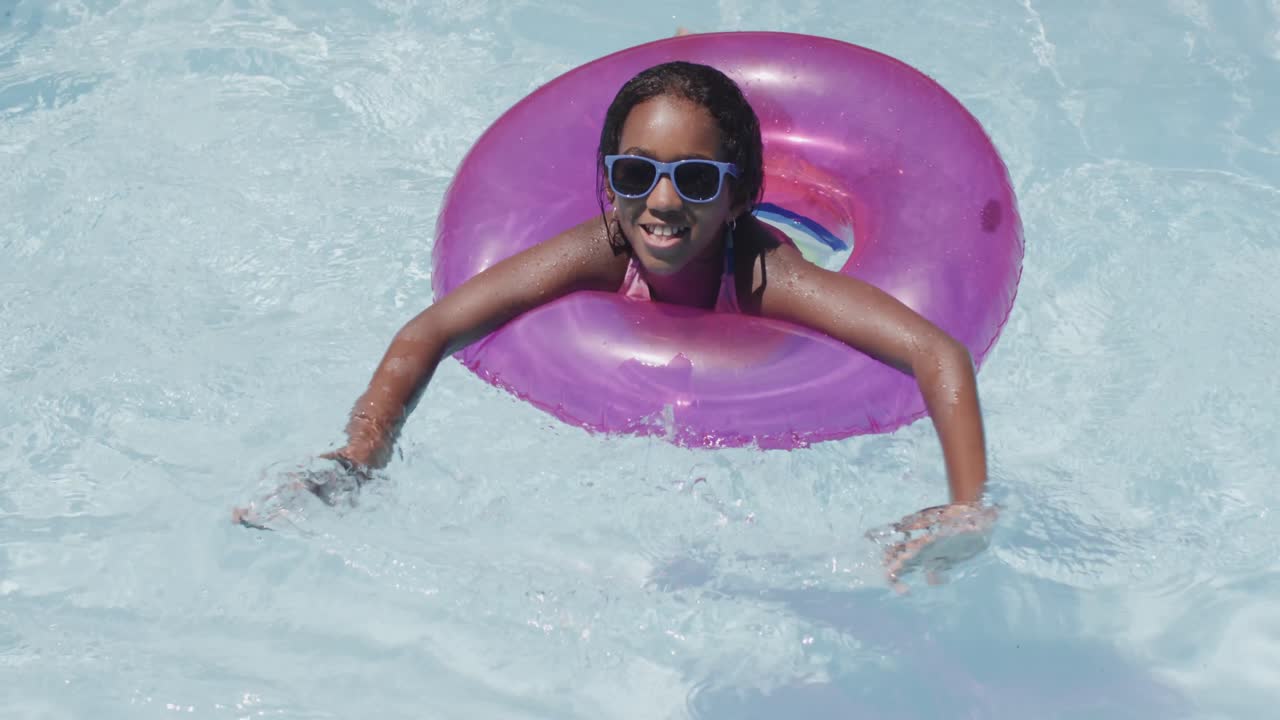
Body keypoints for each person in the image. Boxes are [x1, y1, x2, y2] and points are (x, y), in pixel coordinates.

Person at [237, 60, 996, 586]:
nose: (662, 204)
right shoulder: (600, 250)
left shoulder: (767, 275)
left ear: (739, 199)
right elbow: (430, 332)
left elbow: (939, 354)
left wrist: (966, 508)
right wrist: (357, 456)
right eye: (636, 174)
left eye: (696, 180)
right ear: (608, 182)